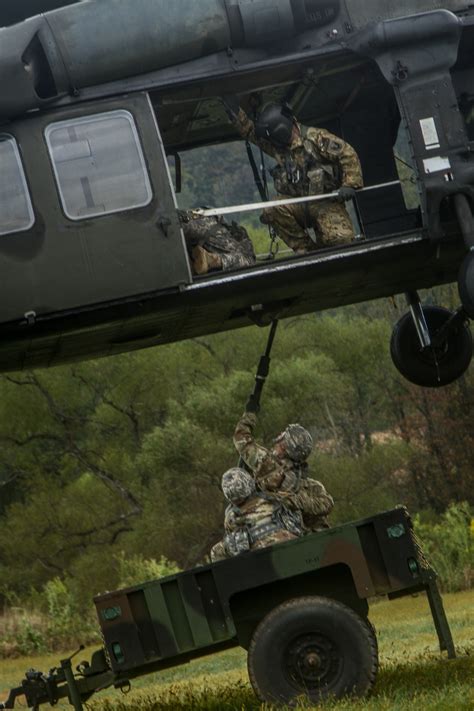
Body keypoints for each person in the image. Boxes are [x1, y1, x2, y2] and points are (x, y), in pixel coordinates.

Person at [222, 97, 363, 254]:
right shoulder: (278, 147)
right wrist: (234, 112)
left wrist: (350, 184)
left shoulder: (316, 138)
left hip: (325, 202)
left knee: (340, 240)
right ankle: (306, 250)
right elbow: (251, 132)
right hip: (298, 204)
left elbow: (347, 154)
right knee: (272, 209)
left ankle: (326, 245)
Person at [233, 403, 334, 533]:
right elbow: (327, 504)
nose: (280, 436)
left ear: (284, 446)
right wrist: (298, 501)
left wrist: (250, 414)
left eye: (283, 436)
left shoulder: (266, 464)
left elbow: (241, 438)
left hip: (267, 530)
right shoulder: (310, 487)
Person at [210, 467, 304, 562]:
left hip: (260, 558)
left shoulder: (231, 517)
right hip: (290, 543)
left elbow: (233, 543)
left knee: (216, 551)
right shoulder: (271, 498)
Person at [179, 210, 256, 275]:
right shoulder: (245, 254)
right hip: (209, 226)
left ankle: (212, 259)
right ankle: (212, 259)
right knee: (248, 260)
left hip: (207, 223)